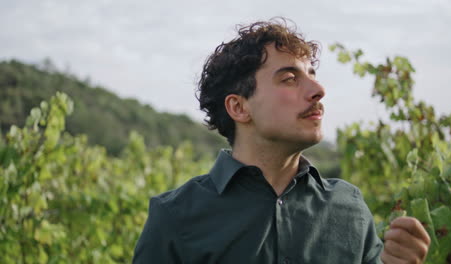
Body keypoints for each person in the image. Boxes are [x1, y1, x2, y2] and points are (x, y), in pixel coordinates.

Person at [133, 18, 430, 263]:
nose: (318, 89)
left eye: (312, 74)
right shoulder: (174, 217)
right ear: (239, 107)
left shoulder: (349, 207)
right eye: (289, 78)